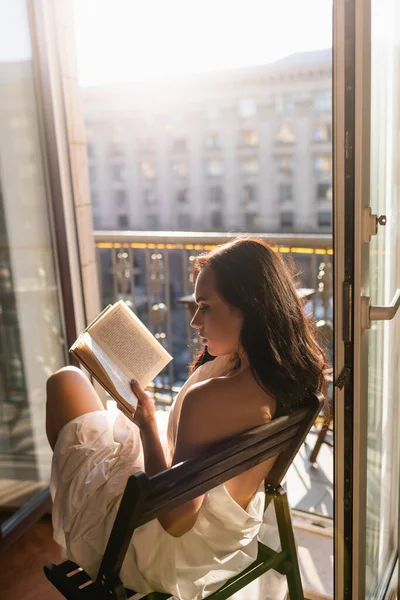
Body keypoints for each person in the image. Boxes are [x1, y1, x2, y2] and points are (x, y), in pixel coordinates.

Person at [46, 238, 327, 600]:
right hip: (226, 533)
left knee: (65, 381)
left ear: (250, 309)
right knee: (78, 393)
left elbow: (176, 522)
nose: (195, 321)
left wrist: (147, 425)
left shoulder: (207, 399)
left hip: (168, 554)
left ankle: (67, 502)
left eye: (205, 307)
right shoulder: (293, 376)